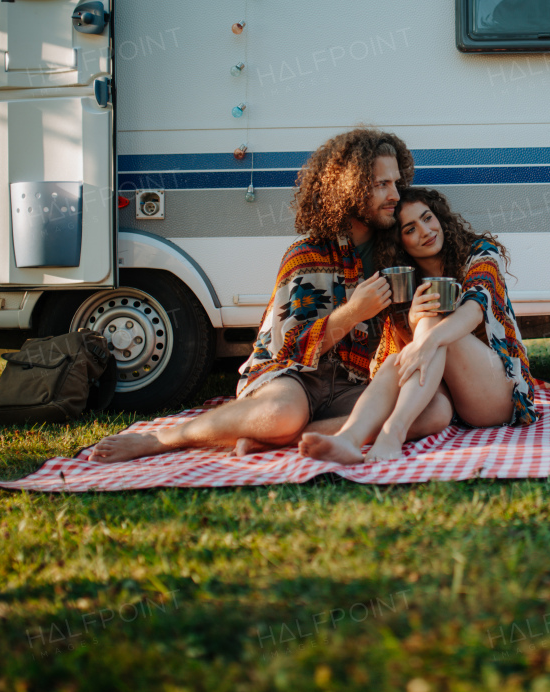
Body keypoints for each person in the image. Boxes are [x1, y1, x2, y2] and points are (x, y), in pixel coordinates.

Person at [88, 130, 453, 463]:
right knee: (282, 413)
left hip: (354, 383)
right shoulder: (307, 256)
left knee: (435, 409)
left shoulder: (397, 252)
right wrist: (352, 312)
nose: (395, 194)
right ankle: (164, 439)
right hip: (295, 379)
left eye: (396, 182)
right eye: (381, 185)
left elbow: (401, 347)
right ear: (350, 189)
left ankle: (288, 439)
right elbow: (285, 351)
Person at [299, 187, 539, 465]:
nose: (425, 231)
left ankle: (392, 433)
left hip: (496, 393)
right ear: (398, 241)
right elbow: (408, 353)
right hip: (446, 397)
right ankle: (348, 439)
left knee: (431, 322)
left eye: (427, 218)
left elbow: (474, 310)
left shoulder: (480, 253)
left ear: (440, 217)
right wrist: (412, 321)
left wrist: (426, 335)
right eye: (410, 229)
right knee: (397, 365)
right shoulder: (402, 279)